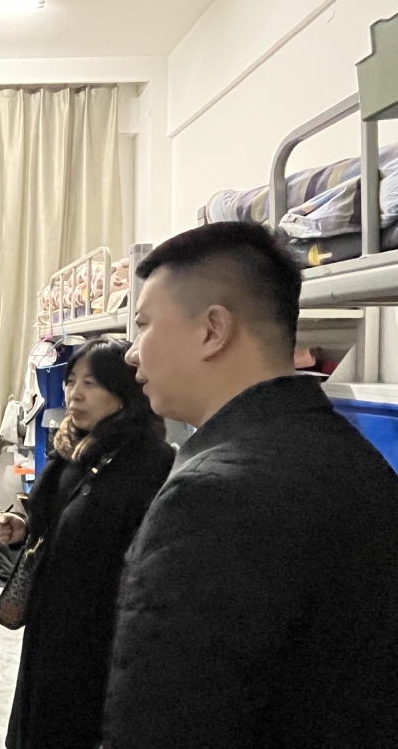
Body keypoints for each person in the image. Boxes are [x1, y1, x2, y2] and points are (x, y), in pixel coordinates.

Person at [103, 222, 398, 748]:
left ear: (213, 330)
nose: (131, 353)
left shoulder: (213, 496)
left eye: (144, 325)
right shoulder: (356, 458)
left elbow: (166, 723)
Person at [0, 338, 174, 749]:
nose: (74, 394)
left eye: (90, 384)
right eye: (71, 381)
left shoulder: (149, 461)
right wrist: (23, 529)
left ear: (123, 392)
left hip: (98, 629)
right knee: (37, 719)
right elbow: (56, 518)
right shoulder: (70, 449)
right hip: (51, 616)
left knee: (73, 725)